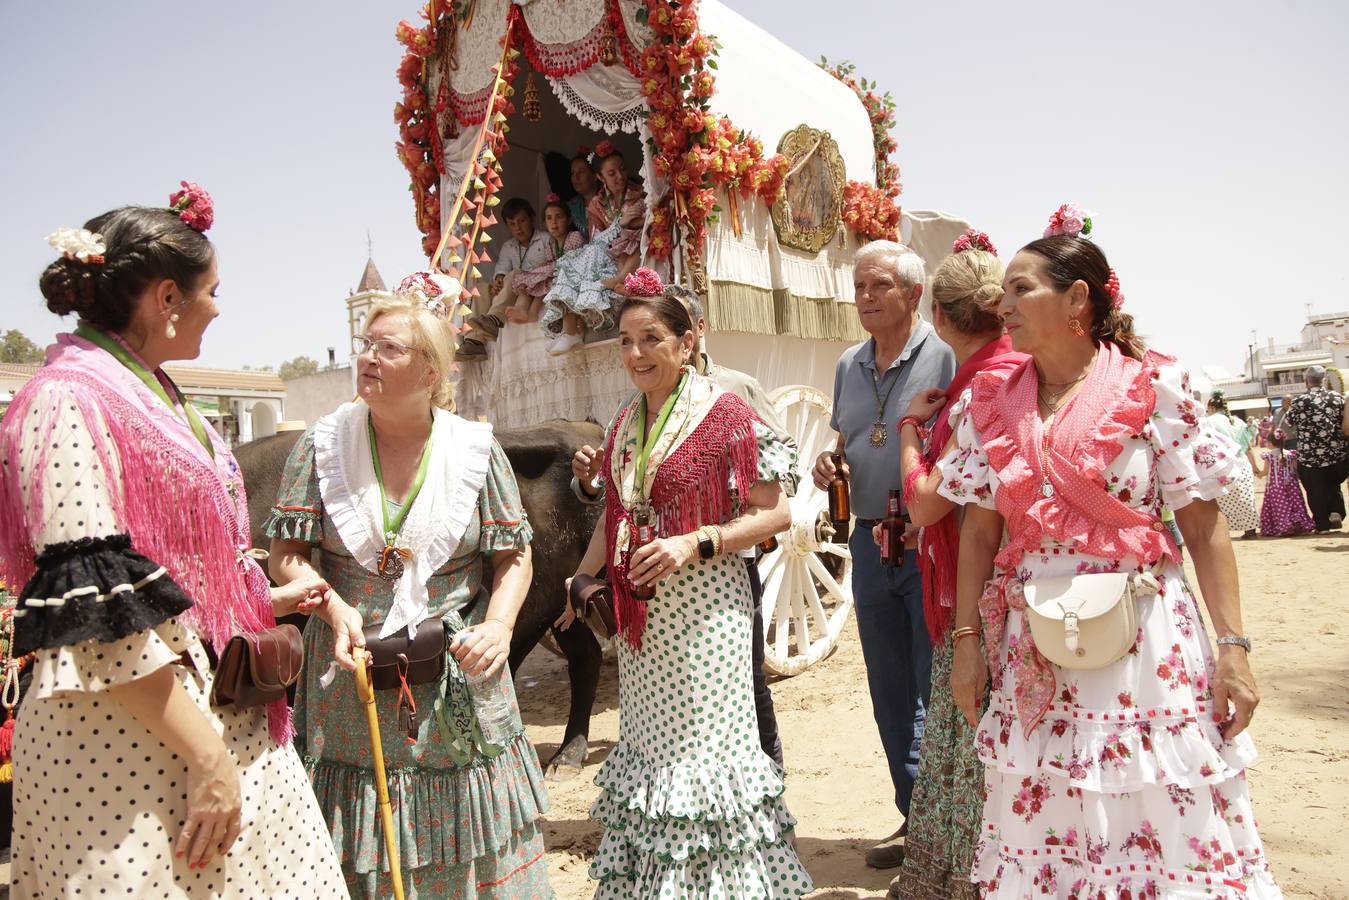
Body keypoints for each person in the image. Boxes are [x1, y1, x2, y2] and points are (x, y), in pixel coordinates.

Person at [0, 196, 348, 896]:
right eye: (211, 291)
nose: (218, 308)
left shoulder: (148, 389)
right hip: (132, 747)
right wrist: (207, 758)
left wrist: (257, 597)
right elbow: (98, 624)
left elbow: (155, 566)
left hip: (198, 721)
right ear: (166, 297)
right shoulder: (65, 399)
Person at [942, 208, 1281, 896]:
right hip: (1033, 639)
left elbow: (1204, 529)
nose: (1000, 304)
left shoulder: (1157, 390)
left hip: (1145, 644)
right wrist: (967, 641)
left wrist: (1233, 648)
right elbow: (978, 534)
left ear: (1077, 300)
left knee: (1157, 803)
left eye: (1019, 289)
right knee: (1049, 803)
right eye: (1000, 291)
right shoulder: (988, 403)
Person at [266, 271, 552, 898]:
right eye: (366, 343)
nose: (367, 356)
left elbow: (513, 557)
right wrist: (335, 608)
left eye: (388, 347)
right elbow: (285, 557)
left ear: (430, 371)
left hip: (457, 674)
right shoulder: (319, 448)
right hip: (350, 679)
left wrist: (499, 626)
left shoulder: (476, 451)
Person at [557, 277, 811, 897]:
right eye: (625, 341)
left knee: (703, 765)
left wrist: (693, 542)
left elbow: (778, 512)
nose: (637, 353)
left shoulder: (725, 414)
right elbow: (615, 515)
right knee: (654, 759)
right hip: (646, 628)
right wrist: (585, 577)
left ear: (687, 340)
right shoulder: (624, 422)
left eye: (652, 339)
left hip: (706, 619)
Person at [882, 231, 1025, 900]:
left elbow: (926, 509)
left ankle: (968, 882)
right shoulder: (1015, 373)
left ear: (937, 318)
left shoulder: (975, 393)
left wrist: (911, 433)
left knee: (973, 749)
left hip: (979, 603)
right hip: (1022, 592)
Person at [810, 240, 955, 869]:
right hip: (870, 541)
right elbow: (846, 436)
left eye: (880, 287)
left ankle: (944, 822)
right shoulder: (847, 364)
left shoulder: (946, 358)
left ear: (914, 294)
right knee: (888, 687)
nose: (865, 298)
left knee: (937, 680)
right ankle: (913, 814)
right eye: (860, 287)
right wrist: (829, 461)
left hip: (932, 542)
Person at [539, 141, 647, 355]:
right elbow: (598, 239)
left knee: (598, 251)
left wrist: (624, 225)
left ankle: (573, 330)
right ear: (601, 177)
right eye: (611, 173)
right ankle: (571, 330)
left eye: (622, 169)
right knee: (574, 259)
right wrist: (620, 223)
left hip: (629, 252)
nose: (619, 176)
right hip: (609, 253)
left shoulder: (639, 193)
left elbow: (643, 224)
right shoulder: (597, 204)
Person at [460, 197, 553, 359]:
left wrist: (512, 277)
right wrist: (498, 281)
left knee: (516, 273)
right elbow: (502, 269)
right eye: (512, 224)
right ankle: (474, 342)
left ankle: (495, 320)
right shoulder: (508, 246)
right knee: (482, 288)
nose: (518, 228)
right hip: (511, 288)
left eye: (522, 221)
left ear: (532, 218)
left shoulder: (545, 239)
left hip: (533, 289)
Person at [1283, 364, 1349, 531]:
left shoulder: (1299, 401)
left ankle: (1322, 524)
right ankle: (1335, 511)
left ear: (1307, 382)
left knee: (1314, 489)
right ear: (1324, 380)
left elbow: (1287, 424)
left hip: (1309, 454)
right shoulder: (1337, 398)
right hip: (1336, 452)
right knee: (1333, 483)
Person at [505, 194, 587, 324]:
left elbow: (576, 260)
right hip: (554, 275)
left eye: (559, 217)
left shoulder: (574, 237)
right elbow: (549, 261)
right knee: (531, 280)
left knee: (543, 280)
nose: (553, 222)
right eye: (549, 218)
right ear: (544, 223)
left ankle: (532, 313)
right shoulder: (551, 243)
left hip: (569, 277)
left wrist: (547, 270)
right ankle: (521, 309)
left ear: (569, 220)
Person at [1207, 389, 1260, 538]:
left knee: (1221, 499)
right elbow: (1247, 447)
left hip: (1221, 463)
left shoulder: (1209, 422)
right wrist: (1254, 466)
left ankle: (1222, 530)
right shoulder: (1239, 421)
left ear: (1211, 407)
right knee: (1246, 497)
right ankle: (1250, 529)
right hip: (1241, 462)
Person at [1256, 428, 1316, 536]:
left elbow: (1265, 471)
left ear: (1270, 443)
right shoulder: (1290, 454)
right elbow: (1295, 469)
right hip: (1291, 484)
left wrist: (1258, 474)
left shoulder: (1269, 456)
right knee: (1295, 504)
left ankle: (1284, 526)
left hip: (1276, 485)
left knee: (1280, 506)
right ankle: (1298, 523)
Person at [567, 145, 600, 236]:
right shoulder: (571, 207)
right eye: (573, 173)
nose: (576, 177)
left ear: (595, 176)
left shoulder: (608, 202)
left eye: (581, 171)